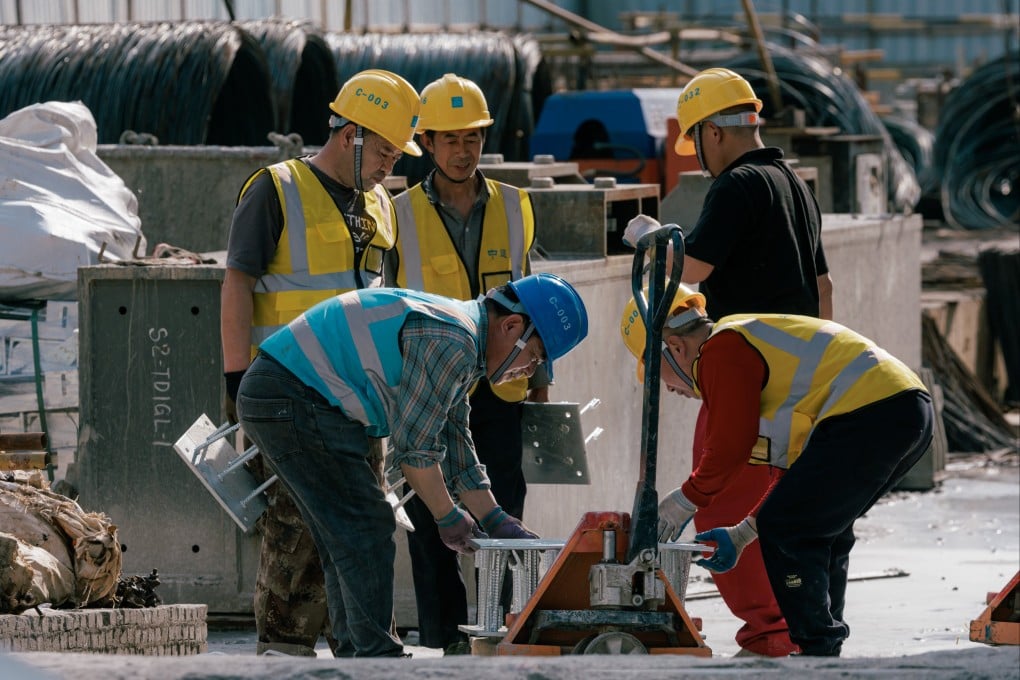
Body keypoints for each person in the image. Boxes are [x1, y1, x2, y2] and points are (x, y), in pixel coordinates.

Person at [236, 273, 589, 657]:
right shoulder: (453, 340)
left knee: (345, 536)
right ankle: (376, 660)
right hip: (290, 394)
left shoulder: (464, 342)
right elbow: (415, 451)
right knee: (366, 525)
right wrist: (447, 517)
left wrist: (495, 518)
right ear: (511, 326)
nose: (529, 371)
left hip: (292, 394)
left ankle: (361, 657)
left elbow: (454, 442)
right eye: (534, 357)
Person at [623, 67, 834, 657]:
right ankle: (793, 628)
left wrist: (651, 240)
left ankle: (769, 635)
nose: (700, 157)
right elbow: (824, 286)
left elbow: (693, 268)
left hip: (748, 371)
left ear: (713, 132)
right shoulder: (794, 185)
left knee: (723, 501)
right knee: (779, 505)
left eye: (697, 142)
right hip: (797, 374)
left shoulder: (738, 184)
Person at [220, 69, 421, 657]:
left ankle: (357, 653)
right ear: (350, 135)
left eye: (395, 155)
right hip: (289, 396)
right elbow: (237, 284)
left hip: (358, 403)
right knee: (295, 532)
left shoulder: (380, 203)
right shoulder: (277, 189)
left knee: (358, 530)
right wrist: (237, 382)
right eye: (383, 151)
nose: (388, 165)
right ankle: (283, 656)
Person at [621, 285, 933, 657]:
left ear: (675, 348)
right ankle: (822, 651)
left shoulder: (721, 349)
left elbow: (729, 448)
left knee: (791, 531)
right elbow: (791, 478)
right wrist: (743, 533)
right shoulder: (750, 352)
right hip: (903, 409)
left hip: (873, 410)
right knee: (819, 528)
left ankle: (816, 650)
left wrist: (683, 502)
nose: (669, 389)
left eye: (657, 375)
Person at [390, 73, 542, 655]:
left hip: (499, 388)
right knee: (431, 514)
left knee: (500, 511)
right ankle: (446, 638)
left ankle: (497, 630)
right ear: (427, 143)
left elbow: (529, 298)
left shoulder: (514, 205)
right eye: (450, 139)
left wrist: (541, 384)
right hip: (427, 382)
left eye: (472, 138)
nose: (462, 151)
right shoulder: (398, 213)